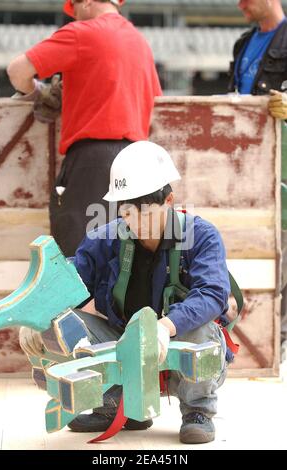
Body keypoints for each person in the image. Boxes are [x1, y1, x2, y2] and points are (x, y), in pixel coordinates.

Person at [20, 140, 231, 444]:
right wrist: (38, 314)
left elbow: (212, 293)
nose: (136, 222)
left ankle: (197, 410)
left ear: (168, 201)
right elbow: (69, 283)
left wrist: (166, 326)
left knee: (200, 328)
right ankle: (120, 404)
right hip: (123, 345)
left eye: (146, 212)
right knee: (65, 325)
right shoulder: (106, 239)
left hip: (177, 346)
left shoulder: (200, 236)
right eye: (128, 212)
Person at [7, 0, 162, 257]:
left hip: (93, 161)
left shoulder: (83, 32)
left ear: (88, 1)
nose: (75, 16)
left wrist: (37, 93)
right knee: (124, 259)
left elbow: (17, 71)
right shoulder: (140, 43)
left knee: (80, 259)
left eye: (75, 9)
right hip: (136, 163)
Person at [228, 0, 287, 347]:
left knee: (280, 240)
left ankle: (276, 331)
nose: (240, 5)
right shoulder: (243, 42)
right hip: (248, 160)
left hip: (281, 160)